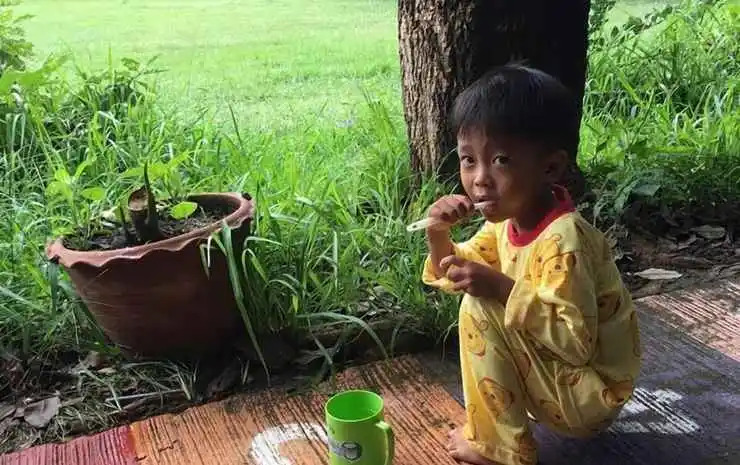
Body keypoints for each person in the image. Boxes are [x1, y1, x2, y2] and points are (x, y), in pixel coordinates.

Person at [421, 64, 641, 465]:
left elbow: (575, 344)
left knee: (479, 307)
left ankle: (502, 450)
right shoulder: (507, 223)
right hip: (563, 384)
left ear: (550, 168)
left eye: (501, 160)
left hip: (590, 392)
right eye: (468, 160)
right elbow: (455, 270)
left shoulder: (565, 240)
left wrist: (500, 288)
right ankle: (501, 437)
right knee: (479, 297)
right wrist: (437, 233)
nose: (480, 179)